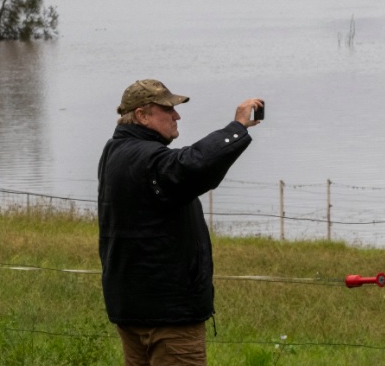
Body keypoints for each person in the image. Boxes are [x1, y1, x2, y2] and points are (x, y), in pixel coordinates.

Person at [97, 78, 264, 366]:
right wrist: (235, 129)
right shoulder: (148, 159)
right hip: (168, 315)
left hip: (132, 308)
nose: (177, 116)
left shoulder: (115, 152)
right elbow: (193, 166)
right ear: (142, 115)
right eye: (168, 110)